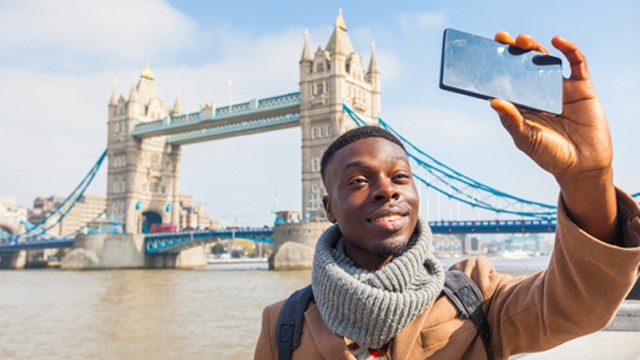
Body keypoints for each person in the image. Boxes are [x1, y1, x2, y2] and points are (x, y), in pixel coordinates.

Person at [254, 32, 640, 359]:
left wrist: (587, 180)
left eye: (400, 176)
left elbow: (579, 305)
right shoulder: (283, 324)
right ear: (328, 208)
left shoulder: (476, 295)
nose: (386, 189)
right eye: (358, 181)